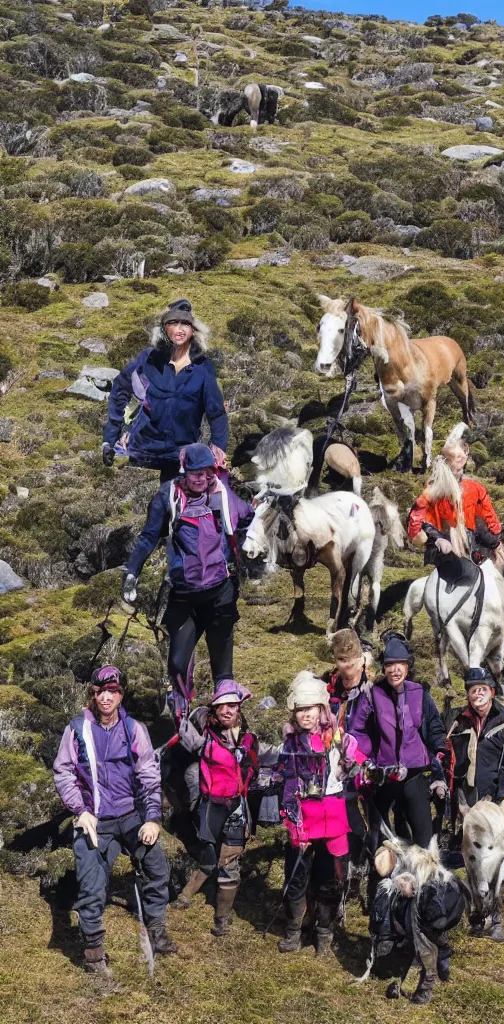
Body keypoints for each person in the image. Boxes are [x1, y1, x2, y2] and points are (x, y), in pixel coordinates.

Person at [52, 666, 177, 977]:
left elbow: (149, 775)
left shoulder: (134, 729)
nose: (105, 696)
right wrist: (80, 811)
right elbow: (63, 772)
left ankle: (157, 928)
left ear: (121, 694)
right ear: (92, 694)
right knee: (91, 884)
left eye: (113, 690)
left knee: (156, 867)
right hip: (94, 819)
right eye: (99, 691)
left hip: (131, 816)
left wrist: (152, 819)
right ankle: (94, 953)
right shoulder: (77, 729)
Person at [122, 443, 254, 716]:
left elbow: (247, 520)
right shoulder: (167, 497)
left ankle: (225, 738)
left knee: (224, 675)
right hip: (185, 599)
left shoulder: (222, 493)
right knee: (178, 667)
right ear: (184, 471)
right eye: (195, 473)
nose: (200, 479)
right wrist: (132, 572)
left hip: (220, 595)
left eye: (205, 473)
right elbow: (148, 537)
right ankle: (181, 728)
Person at [275, 671, 363, 956]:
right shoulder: (290, 746)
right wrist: (292, 824)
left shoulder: (341, 740)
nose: (305, 715)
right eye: (300, 709)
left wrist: (370, 772)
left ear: (321, 709)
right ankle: (294, 930)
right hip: (304, 821)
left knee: (331, 880)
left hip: (335, 822)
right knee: (296, 878)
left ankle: (324, 933)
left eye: (310, 708)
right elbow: (286, 787)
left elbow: (360, 767)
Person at [103, 298, 228, 482]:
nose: (180, 329)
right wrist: (110, 439)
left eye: (185, 323)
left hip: (179, 458)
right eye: (173, 323)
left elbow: (216, 413)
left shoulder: (202, 368)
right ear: (164, 329)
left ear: (193, 330)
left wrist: (218, 448)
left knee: (174, 506)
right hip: (141, 454)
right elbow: (120, 389)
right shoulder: (149, 359)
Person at [173, 679, 258, 936]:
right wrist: (175, 704)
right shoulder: (204, 736)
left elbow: (262, 763)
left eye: (232, 705)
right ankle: (188, 893)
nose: (226, 711)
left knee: (229, 860)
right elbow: (183, 730)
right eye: (221, 706)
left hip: (235, 809)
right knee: (208, 853)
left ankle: (222, 918)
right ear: (214, 709)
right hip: (210, 806)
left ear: (239, 708)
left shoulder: (250, 739)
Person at [349, 635, 447, 851]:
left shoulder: (419, 692)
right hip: (384, 775)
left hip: (415, 771)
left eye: (399, 665)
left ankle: (424, 879)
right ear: (384, 668)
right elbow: (356, 730)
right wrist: (367, 759)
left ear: (407, 666)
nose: (395, 670)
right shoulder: (373, 694)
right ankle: (381, 877)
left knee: (424, 837)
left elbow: (434, 724)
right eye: (389, 665)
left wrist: (439, 751)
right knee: (381, 834)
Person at [407, 423, 501, 563]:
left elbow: (417, 522)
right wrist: (495, 543)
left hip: (459, 551)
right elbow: (489, 524)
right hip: (454, 552)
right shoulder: (470, 489)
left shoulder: (470, 488)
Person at [322, 629, 373, 878]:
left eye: (351, 661)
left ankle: (375, 859)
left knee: (373, 813)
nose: (347, 667)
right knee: (348, 810)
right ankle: (355, 859)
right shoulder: (329, 688)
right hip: (339, 764)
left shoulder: (374, 688)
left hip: (368, 761)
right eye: (342, 661)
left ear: (361, 660)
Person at [447, 667, 504, 813]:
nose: (478, 694)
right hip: (464, 800)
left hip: (493, 800)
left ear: (492, 693)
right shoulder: (458, 723)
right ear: (468, 695)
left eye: (483, 689)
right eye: (474, 690)